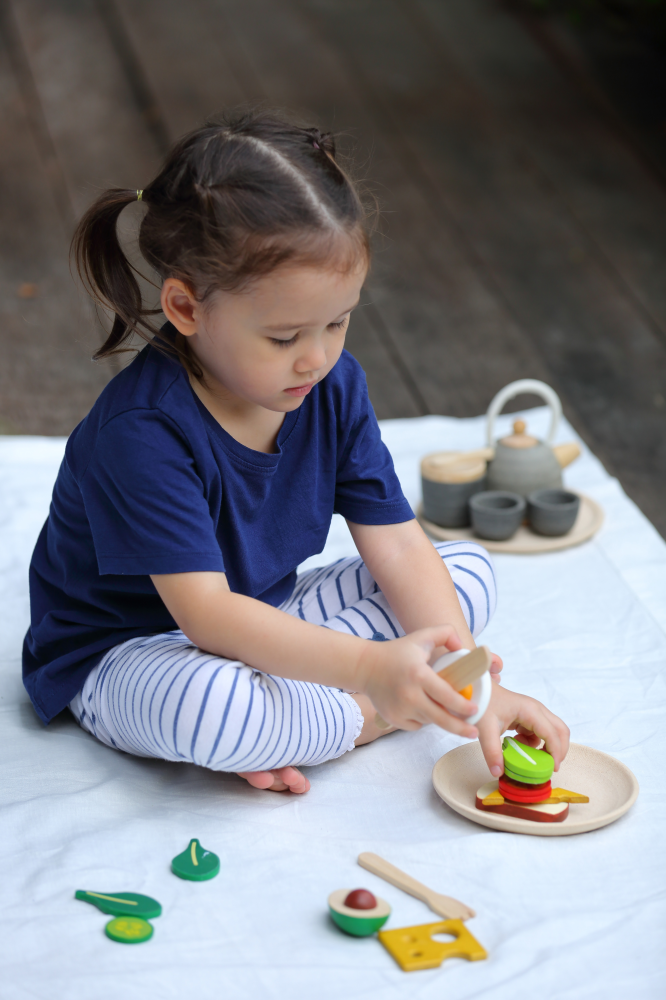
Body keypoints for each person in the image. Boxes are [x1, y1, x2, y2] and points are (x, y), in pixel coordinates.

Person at [23, 110, 569, 794]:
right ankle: (364, 714)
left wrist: (476, 689)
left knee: (465, 573)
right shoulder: (141, 432)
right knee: (216, 708)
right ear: (187, 308)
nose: (316, 358)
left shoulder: (333, 386)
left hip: (269, 609)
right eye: (285, 337)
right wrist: (372, 675)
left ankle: (322, 710)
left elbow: (397, 546)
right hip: (132, 650)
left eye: (338, 322)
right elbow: (208, 616)